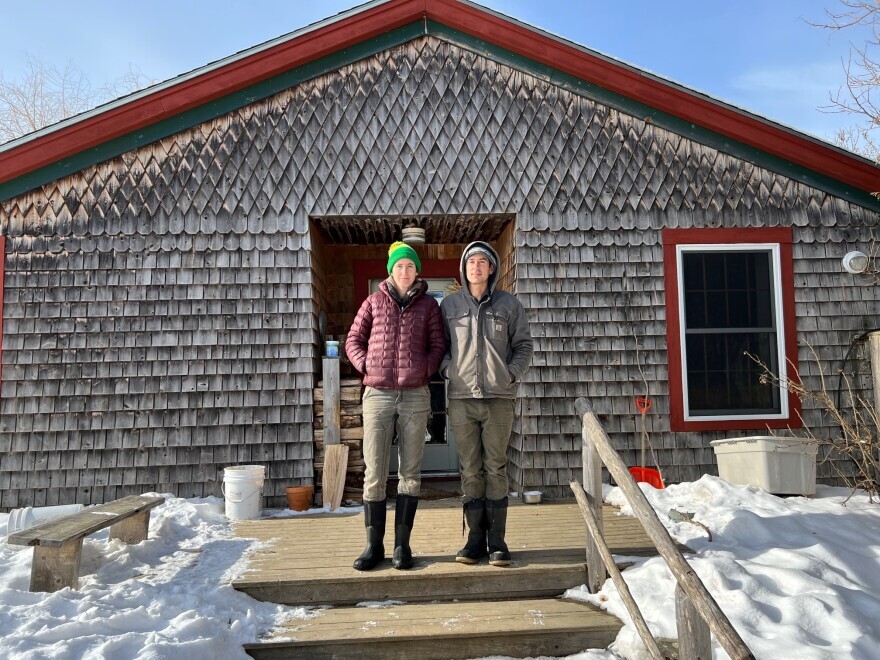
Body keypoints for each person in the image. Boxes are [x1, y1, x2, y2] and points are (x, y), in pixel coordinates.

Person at [345, 241, 445, 571]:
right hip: (377, 395)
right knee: (374, 472)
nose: (405, 271)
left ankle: (403, 545)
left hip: (415, 395)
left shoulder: (429, 306)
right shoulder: (374, 302)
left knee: (410, 473)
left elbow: (437, 345)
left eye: (410, 266)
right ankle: (373, 546)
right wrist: (366, 366)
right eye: (399, 266)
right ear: (391, 270)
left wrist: (423, 370)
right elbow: (352, 340)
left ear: (418, 271)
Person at [440, 240, 533, 567]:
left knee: (495, 466)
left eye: (482, 262)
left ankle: (498, 541)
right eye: (470, 262)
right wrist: (447, 369)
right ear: (464, 269)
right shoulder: (449, 306)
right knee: (470, 468)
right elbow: (441, 347)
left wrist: (510, 374)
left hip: (499, 399)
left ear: (491, 268)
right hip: (462, 399)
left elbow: (524, 346)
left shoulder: (509, 305)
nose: (476, 267)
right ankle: (474, 540)